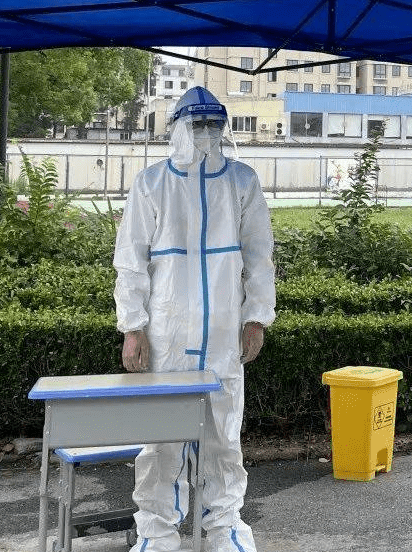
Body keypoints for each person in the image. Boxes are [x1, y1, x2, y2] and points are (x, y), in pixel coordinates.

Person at [114, 86, 276, 552]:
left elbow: (260, 258)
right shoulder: (151, 183)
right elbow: (130, 260)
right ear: (178, 128)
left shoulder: (242, 181)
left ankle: (225, 528)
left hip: (223, 336)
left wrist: (256, 318)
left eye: (213, 124)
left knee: (224, 436)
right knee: (161, 442)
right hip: (167, 334)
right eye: (196, 124)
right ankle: (157, 533)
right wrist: (133, 326)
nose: (206, 133)